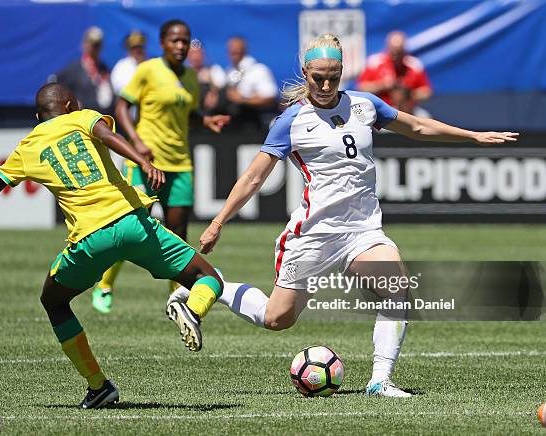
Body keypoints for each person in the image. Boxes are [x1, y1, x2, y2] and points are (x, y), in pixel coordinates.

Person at [169, 34, 518, 397]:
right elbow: (255, 176)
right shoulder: (291, 121)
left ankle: (380, 380)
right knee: (277, 319)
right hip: (314, 235)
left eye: (333, 77)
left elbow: (416, 126)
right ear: (305, 72)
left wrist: (472, 136)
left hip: (363, 231)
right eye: (317, 76)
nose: (325, 85)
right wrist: (217, 222)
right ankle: (217, 285)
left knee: (396, 290)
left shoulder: (365, 105)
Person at [0, 83, 224, 409]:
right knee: (210, 277)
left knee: (53, 301)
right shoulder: (83, 118)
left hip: (90, 241)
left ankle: (98, 386)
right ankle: (192, 308)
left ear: (39, 116)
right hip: (135, 224)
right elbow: (109, 137)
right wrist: (145, 162)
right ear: (70, 105)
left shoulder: (27, 147)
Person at [91, 19, 230, 314]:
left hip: (179, 164)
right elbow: (121, 108)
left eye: (185, 41)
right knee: (133, 230)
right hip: (146, 164)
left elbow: (189, 115)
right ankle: (104, 285)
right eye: (174, 41)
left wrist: (205, 120)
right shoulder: (148, 70)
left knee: (177, 233)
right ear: (163, 43)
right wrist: (137, 142)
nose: (180, 46)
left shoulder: (191, 77)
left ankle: (177, 297)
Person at [209, 36, 279, 128]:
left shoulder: (258, 70)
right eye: (231, 51)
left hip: (255, 125)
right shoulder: (229, 71)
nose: (234, 54)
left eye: (237, 51)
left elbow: (270, 97)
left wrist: (242, 99)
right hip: (236, 126)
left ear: (244, 51)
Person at [357, 31, 432, 115]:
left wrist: (408, 94)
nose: (396, 54)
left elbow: (426, 91)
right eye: (393, 50)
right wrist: (383, 85)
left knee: (424, 117)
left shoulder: (414, 64)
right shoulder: (375, 62)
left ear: (404, 49)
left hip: (407, 110)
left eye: (399, 51)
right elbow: (362, 88)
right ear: (388, 47)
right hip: (379, 110)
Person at [50, 26, 115, 115]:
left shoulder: (104, 69)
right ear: (84, 44)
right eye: (92, 44)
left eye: (98, 44)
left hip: (102, 119)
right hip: (82, 122)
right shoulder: (73, 69)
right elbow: (53, 88)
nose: (95, 48)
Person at [111, 30, 147, 96]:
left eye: (140, 47)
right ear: (129, 50)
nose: (138, 50)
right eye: (135, 48)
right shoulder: (122, 67)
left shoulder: (150, 65)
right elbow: (120, 89)